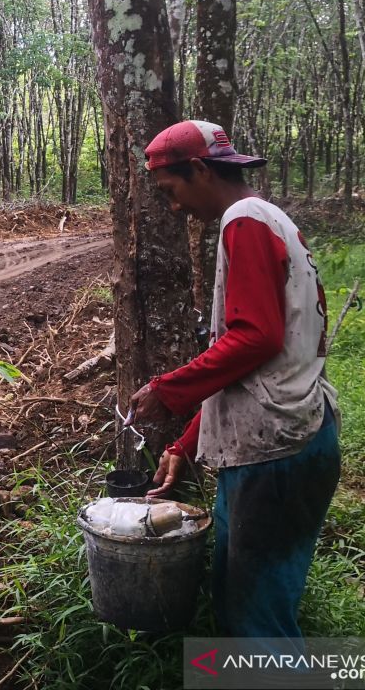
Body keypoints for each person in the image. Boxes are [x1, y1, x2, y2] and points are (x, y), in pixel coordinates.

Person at [128, 119, 340, 641]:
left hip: (278, 452)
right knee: (241, 606)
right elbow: (263, 367)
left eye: (170, 190)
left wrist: (168, 390)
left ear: (199, 169)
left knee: (257, 624)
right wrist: (188, 440)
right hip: (287, 436)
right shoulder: (271, 221)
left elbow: (255, 338)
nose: (174, 207)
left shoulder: (242, 219)